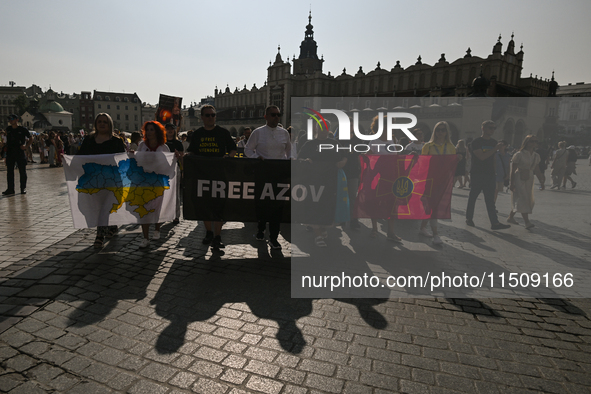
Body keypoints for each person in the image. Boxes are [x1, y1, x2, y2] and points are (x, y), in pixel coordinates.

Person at [186, 105, 236, 250]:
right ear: (202, 117)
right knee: (204, 205)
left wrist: (229, 156)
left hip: (220, 175)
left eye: (213, 115)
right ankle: (209, 232)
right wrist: (187, 156)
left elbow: (232, 148)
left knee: (218, 207)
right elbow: (192, 152)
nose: (211, 118)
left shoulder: (223, 132)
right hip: (201, 175)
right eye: (207, 115)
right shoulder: (197, 134)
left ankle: (218, 236)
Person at [245, 105, 291, 249]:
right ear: (266, 116)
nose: (276, 117)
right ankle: (260, 228)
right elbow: (248, 149)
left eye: (278, 114)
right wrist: (256, 157)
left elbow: (289, 150)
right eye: (273, 114)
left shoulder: (284, 133)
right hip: (263, 173)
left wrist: (290, 161)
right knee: (262, 203)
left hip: (279, 173)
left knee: (278, 206)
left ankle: (273, 237)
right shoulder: (258, 132)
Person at [78, 113, 127, 249]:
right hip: (94, 180)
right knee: (100, 208)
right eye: (99, 121)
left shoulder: (116, 141)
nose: (102, 124)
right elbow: (81, 157)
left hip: (112, 180)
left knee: (106, 207)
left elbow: (122, 159)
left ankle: (99, 236)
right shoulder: (89, 140)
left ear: (109, 124)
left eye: (105, 122)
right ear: (96, 123)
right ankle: (111, 226)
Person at [465, 120, 510, 230]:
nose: (492, 130)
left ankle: (494, 223)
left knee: (490, 200)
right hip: (477, 173)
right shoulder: (476, 142)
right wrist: (495, 149)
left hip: (490, 174)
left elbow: (494, 158)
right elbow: (482, 157)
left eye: (494, 128)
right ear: (483, 128)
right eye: (490, 127)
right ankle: (469, 218)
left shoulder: (494, 142)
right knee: (473, 197)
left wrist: (494, 172)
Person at [419, 121, 457, 245]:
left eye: (443, 130)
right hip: (430, 181)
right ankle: (436, 234)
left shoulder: (451, 147)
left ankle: (422, 227)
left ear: (447, 132)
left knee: (432, 206)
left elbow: (451, 165)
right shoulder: (428, 146)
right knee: (433, 207)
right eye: (438, 130)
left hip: (443, 181)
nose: (440, 132)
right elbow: (423, 165)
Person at [137, 121, 170, 248]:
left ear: (157, 132)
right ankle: (145, 238)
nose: (149, 132)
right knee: (144, 210)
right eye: (147, 130)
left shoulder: (163, 147)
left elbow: (168, 165)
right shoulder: (141, 146)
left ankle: (157, 228)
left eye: (152, 129)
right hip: (144, 182)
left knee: (158, 208)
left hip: (158, 183)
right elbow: (136, 161)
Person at [507, 135, 542, 229]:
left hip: (529, 178)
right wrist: (512, 183)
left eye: (536, 141)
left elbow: (537, 169)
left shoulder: (536, 155)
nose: (534, 143)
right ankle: (527, 222)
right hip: (519, 177)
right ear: (527, 142)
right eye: (532, 141)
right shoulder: (519, 154)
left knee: (523, 198)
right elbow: (513, 169)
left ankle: (510, 217)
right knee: (523, 198)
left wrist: (542, 181)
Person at [3, 114, 32, 196]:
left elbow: (31, 138)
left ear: (17, 120)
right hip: (10, 152)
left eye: (12, 118)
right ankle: (10, 189)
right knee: (10, 171)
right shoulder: (8, 129)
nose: (10, 120)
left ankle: (23, 188)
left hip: (19, 152)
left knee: (22, 171)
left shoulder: (22, 129)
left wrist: (26, 146)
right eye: (9, 119)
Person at [165, 123, 184, 224]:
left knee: (175, 193)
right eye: (167, 129)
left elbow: (181, 157)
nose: (169, 131)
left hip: (175, 168)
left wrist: (179, 156)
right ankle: (165, 214)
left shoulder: (178, 143)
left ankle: (176, 215)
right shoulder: (161, 142)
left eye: (171, 129)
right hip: (163, 169)